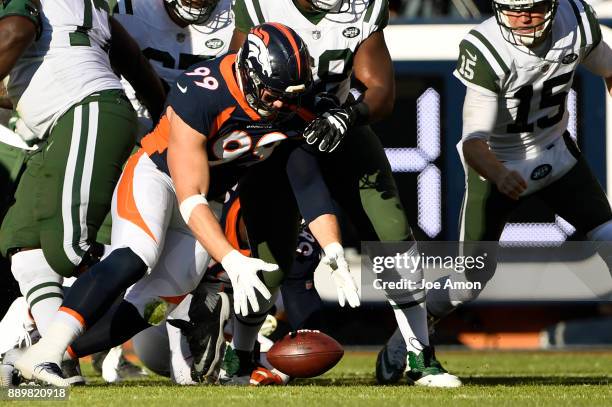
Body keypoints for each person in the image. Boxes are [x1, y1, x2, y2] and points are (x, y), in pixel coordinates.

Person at [15, 22, 358, 387]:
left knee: (157, 301)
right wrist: (230, 259)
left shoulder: (292, 103)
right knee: (137, 254)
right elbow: (189, 192)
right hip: (159, 177)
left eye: (287, 98)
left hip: (207, 198)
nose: (279, 105)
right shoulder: (202, 91)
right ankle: (43, 345)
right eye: (272, 94)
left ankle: (41, 353)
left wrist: (333, 247)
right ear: (248, 72)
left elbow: (305, 178)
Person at [228, 0, 461, 387]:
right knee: (270, 259)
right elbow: (237, 78)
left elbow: (381, 90)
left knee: (394, 238)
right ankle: (240, 357)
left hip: (338, 131)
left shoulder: (361, 7)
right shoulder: (258, 5)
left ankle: (421, 356)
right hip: (277, 137)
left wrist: (347, 115)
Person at [422, 0, 612, 340]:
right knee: (470, 280)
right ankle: (414, 328)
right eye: (512, 8)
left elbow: (610, 69)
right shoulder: (487, 46)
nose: (522, 17)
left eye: (534, 7)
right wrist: (500, 175)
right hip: (497, 164)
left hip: (555, 153)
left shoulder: (576, 20)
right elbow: (472, 142)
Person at [0, 0, 165, 383]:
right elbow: (136, 64)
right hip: (65, 123)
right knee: (24, 240)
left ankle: (155, 297)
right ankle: (52, 359)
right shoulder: (84, 8)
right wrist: (165, 116)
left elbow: (16, 31)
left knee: (69, 248)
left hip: (86, 111)